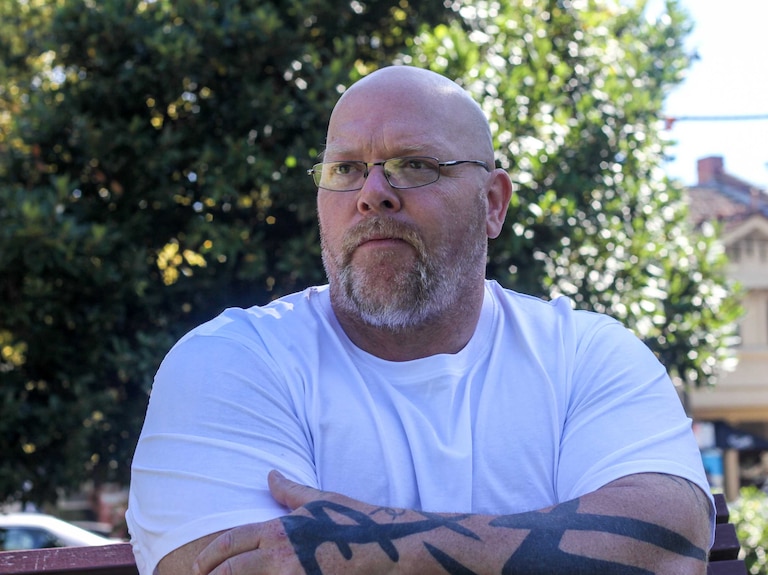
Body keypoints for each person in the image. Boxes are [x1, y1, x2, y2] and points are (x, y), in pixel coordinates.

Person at [126, 65, 715, 575]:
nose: (372, 193)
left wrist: (365, 547)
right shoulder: (232, 362)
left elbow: (666, 550)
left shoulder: (587, 355)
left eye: (415, 166)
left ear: (492, 203)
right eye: (345, 169)